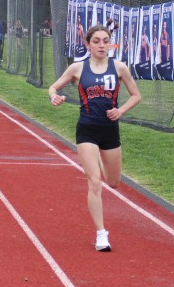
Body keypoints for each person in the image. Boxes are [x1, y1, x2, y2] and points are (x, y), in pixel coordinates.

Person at [48, 25, 142, 252]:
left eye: (105, 41)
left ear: (110, 44)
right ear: (88, 44)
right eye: (97, 41)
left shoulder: (119, 67)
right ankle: (101, 234)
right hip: (87, 130)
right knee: (95, 182)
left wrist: (120, 111)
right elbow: (53, 87)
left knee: (114, 182)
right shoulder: (77, 68)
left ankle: (100, 158)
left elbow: (136, 95)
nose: (101, 45)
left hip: (110, 130)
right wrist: (54, 96)